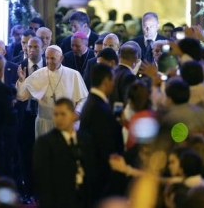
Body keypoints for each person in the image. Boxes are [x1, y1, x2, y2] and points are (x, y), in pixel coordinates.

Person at [33, 98, 95, 208]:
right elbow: (42, 180)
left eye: (63, 114)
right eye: (56, 114)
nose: (59, 118)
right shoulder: (45, 143)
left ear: (72, 115)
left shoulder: (85, 140)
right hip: (58, 201)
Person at [16, 45, 88, 137]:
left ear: (61, 58)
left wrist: (77, 112)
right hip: (44, 123)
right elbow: (22, 96)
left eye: (53, 58)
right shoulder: (38, 74)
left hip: (67, 123)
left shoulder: (73, 74)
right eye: (47, 58)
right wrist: (22, 81)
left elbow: (83, 98)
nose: (49, 61)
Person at [79, 64, 124, 200]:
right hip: (100, 176)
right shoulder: (98, 108)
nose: (114, 84)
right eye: (113, 80)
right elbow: (104, 145)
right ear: (106, 81)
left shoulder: (94, 103)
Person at [16, 36, 46, 199]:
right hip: (25, 117)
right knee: (25, 155)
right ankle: (27, 190)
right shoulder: (17, 65)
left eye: (36, 47)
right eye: (29, 47)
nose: (32, 50)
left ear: (43, 48)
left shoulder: (50, 66)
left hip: (44, 116)